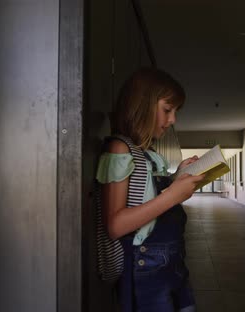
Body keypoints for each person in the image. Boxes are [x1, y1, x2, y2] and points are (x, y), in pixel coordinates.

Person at [95, 67, 204, 312]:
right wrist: (173, 196)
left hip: (170, 263)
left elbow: (147, 194)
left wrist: (177, 178)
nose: (173, 119)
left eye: (175, 112)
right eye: (167, 110)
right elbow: (115, 225)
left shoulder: (148, 154)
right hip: (147, 267)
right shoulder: (120, 150)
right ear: (141, 105)